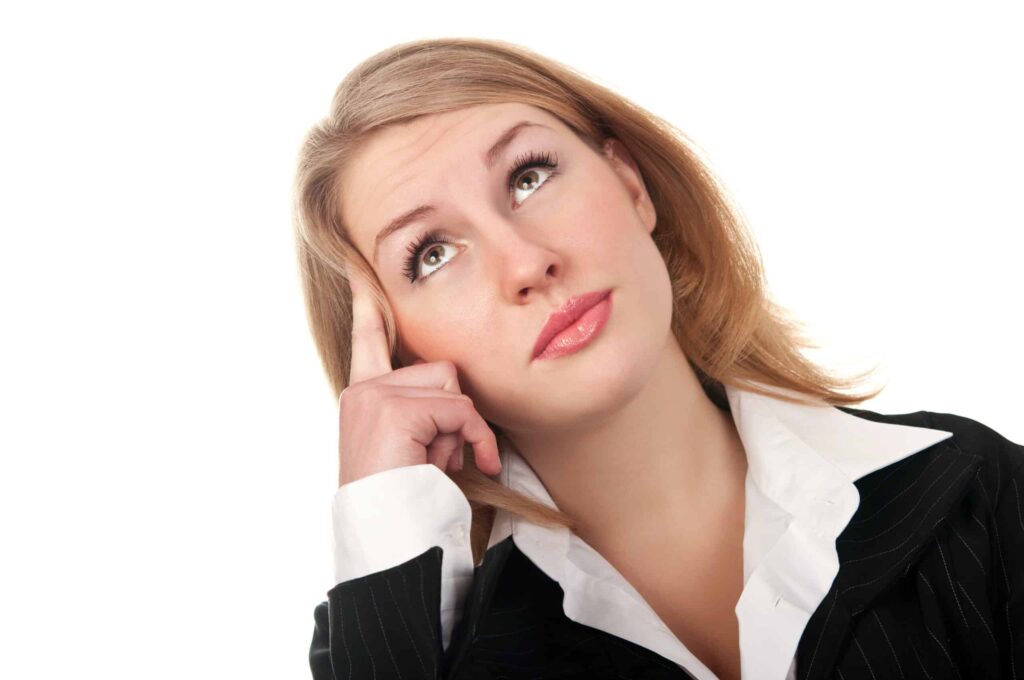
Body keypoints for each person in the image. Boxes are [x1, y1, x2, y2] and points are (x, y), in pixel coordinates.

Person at [292, 37, 1024, 680]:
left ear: (630, 184)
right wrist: (382, 517)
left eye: (528, 177)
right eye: (432, 254)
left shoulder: (980, 494)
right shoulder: (414, 648)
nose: (526, 263)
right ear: (393, 354)